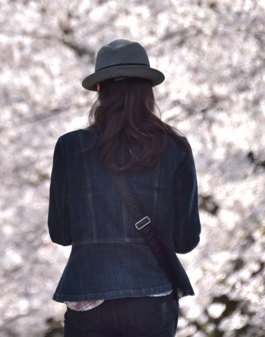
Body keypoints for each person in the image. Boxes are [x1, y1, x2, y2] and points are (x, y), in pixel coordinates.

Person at [49, 39, 201, 337]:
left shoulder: (70, 147)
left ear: (100, 91)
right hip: (151, 294)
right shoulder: (174, 148)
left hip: (88, 292)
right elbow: (185, 240)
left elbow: (61, 233)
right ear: (148, 90)